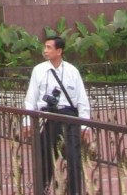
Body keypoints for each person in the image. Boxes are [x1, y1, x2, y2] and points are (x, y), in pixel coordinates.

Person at [24, 37, 90, 195]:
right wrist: (27, 121)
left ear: (59, 51)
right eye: (45, 47)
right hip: (49, 116)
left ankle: (74, 191)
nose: (45, 50)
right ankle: (43, 189)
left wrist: (85, 125)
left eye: (49, 47)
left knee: (74, 158)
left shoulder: (72, 71)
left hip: (69, 116)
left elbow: (82, 99)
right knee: (45, 156)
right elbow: (30, 99)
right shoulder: (39, 70)